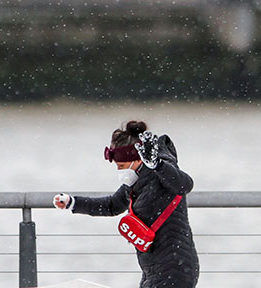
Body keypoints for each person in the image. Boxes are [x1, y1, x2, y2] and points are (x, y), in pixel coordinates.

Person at [54, 120, 199, 288]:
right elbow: (112, 205)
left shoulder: (161, 172)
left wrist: (157, 165)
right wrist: (73, 203)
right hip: (153, 268)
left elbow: (185, 185)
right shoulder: (135, 181)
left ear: (138, 160)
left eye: (122, 166)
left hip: (175, 267)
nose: (120, 171)